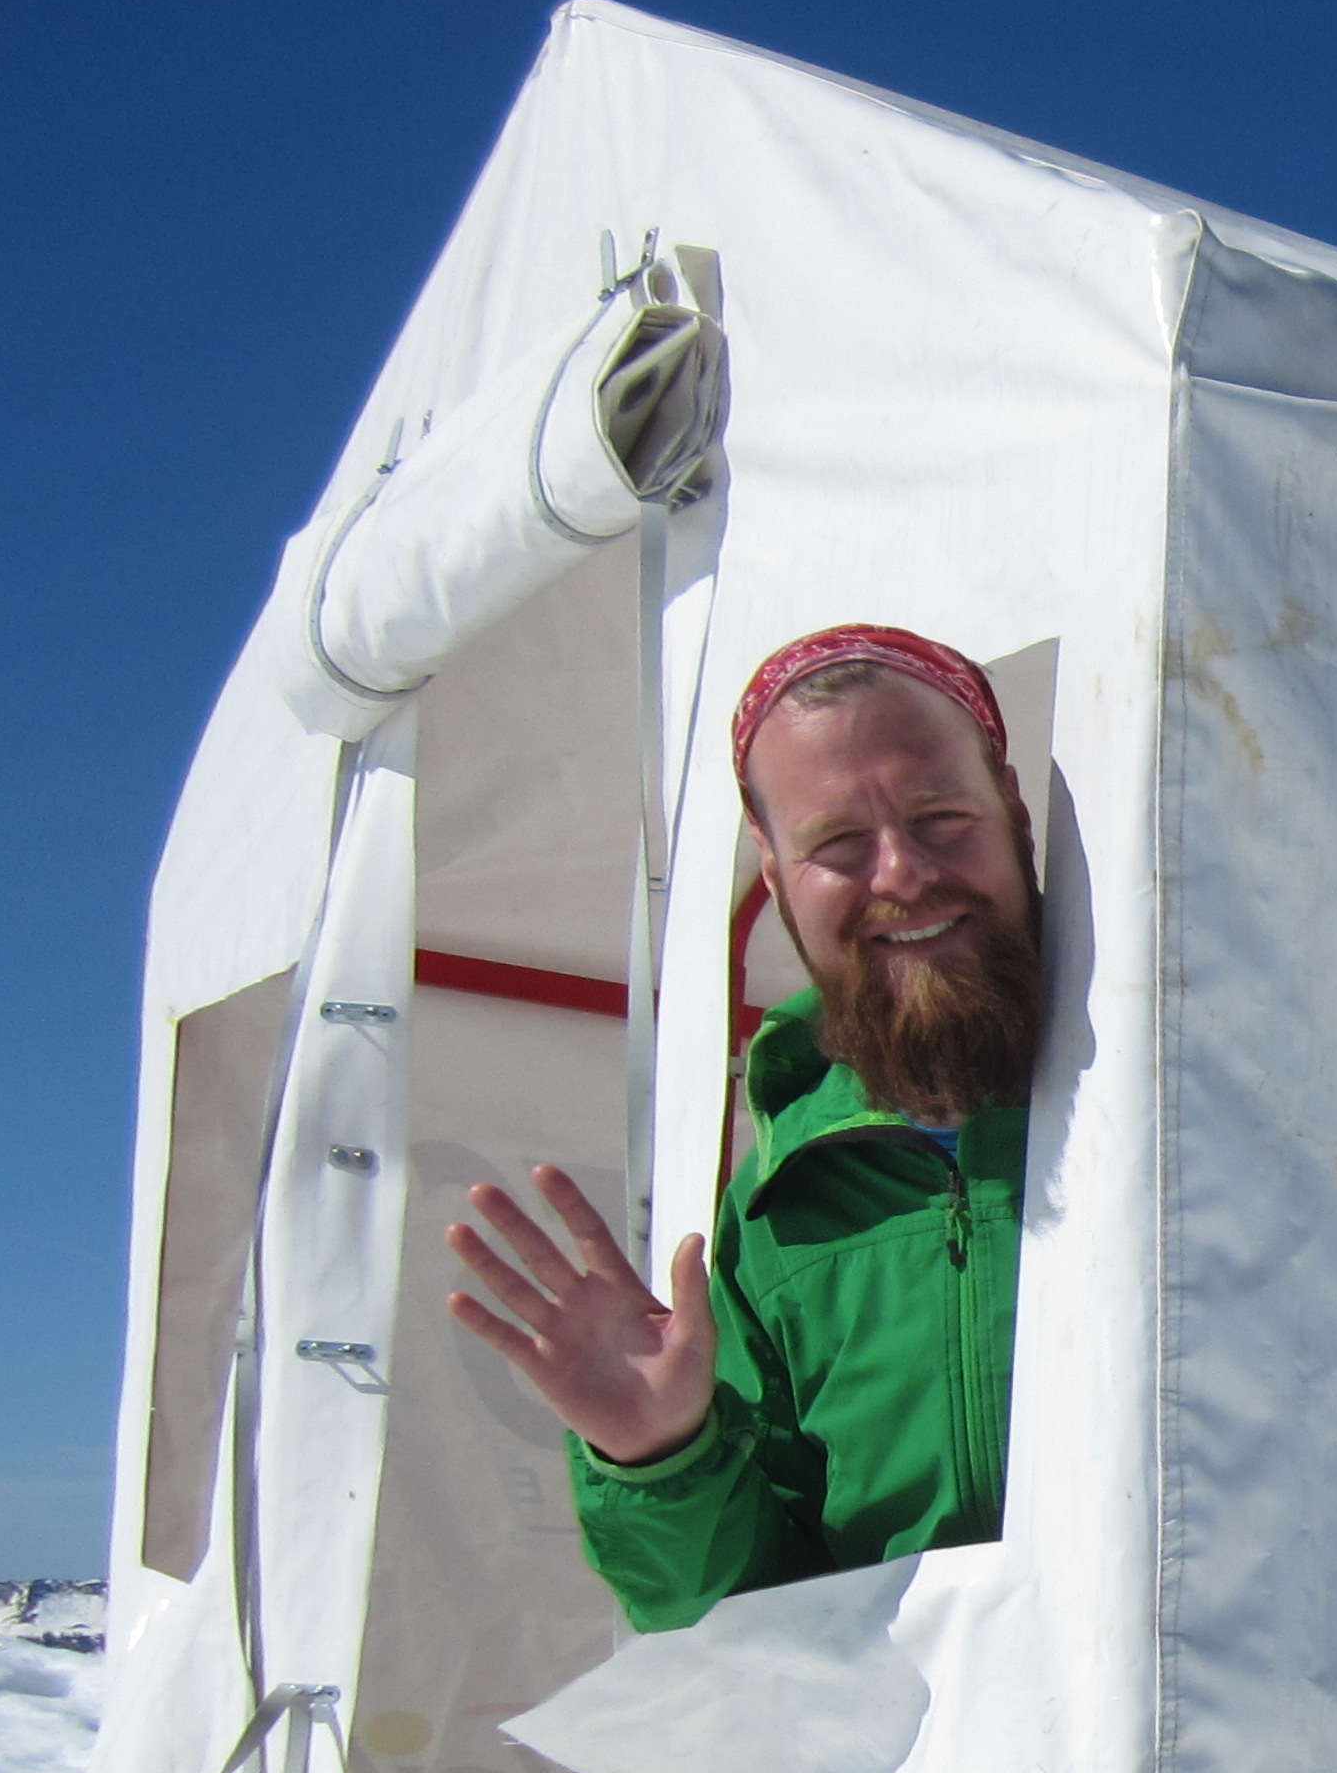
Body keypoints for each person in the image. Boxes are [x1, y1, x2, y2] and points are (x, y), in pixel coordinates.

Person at [446, 626, 1042, 1632]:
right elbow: (750, 1635)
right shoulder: (777, 1215)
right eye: (839, 843)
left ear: (1013, 813)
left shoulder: (1193, 1083)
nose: (902, 873)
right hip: (948, 1741)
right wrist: (662, 1458)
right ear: (774, 872)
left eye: (942, 817)